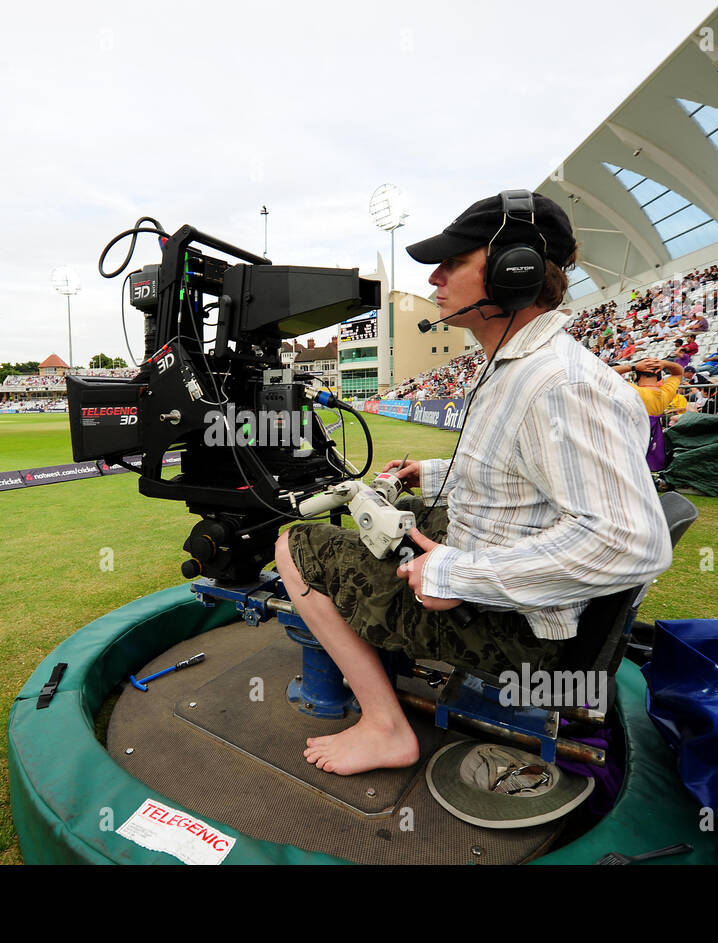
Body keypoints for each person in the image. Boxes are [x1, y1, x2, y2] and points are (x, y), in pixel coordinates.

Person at [273, 190, 671, 775]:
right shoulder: (525, 365)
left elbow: (629, 542)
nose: (435, 277)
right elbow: (524, 477)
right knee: (402, 509)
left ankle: (385, 726)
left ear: (516, 272)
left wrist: (456, 573)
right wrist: (432, 474)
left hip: (518, 633)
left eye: (455, 261)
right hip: (511, 580)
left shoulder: (557, 385)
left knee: (294, 546)